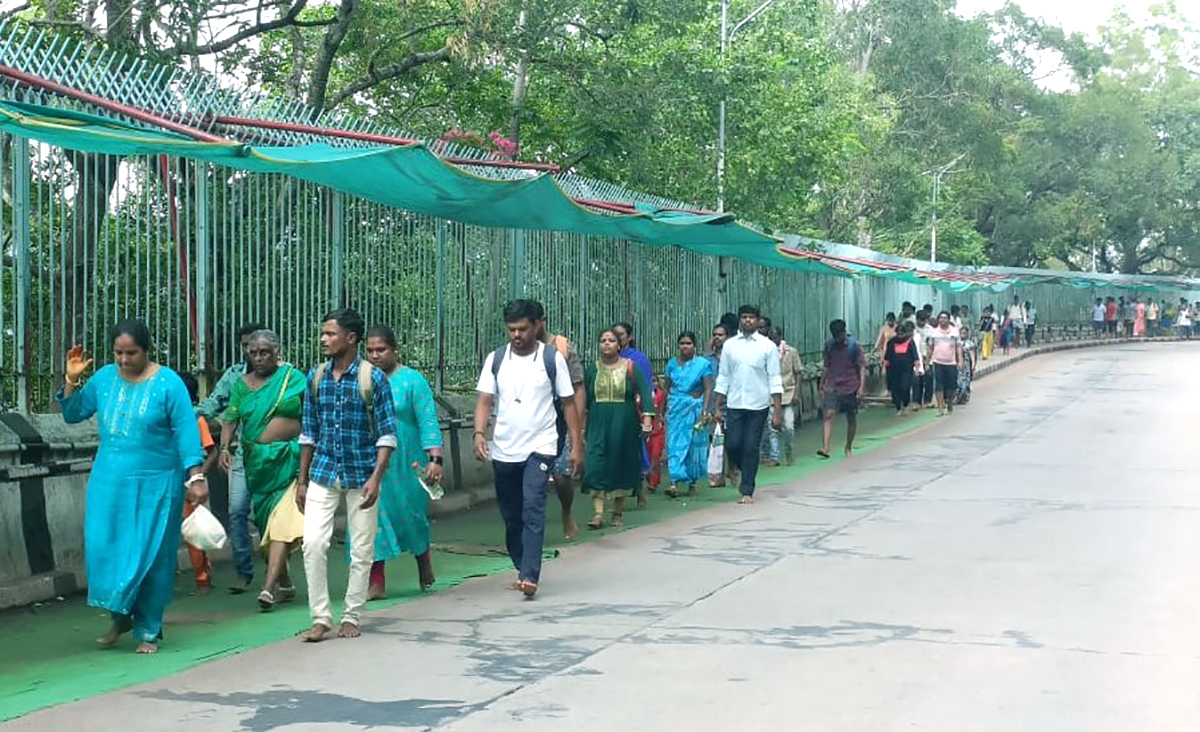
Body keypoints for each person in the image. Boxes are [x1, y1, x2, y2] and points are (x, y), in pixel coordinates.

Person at [58, 319, 207, 654]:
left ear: (146, 349)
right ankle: (119, 615)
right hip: (109, 482)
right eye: (118, 353)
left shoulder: (168, 383)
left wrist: (195, 475)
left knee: (152, 555)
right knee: (104, 549)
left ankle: (148, 630)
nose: (124, 360)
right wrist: (71, 380)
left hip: (157, 483)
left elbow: (186, 432)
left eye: (132, 353)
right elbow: (72, 414)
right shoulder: (104, 379)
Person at [298, 309, 398, 642]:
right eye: (323, 333)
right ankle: (320, 618)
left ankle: (352, 614)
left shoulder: (374, 379)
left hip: (362, 472)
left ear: (350, 338)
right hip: (323, 472)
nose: (324, 339)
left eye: (330, 333)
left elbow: (386, 434)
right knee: (312, 544)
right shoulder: (316, 377)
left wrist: (376, 477)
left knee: (362, 548)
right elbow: (308, 434)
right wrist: (301, 480)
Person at [474, 300, 582, 598]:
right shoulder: (495, 359)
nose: (517, 335)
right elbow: (484, 400)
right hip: (505, 449)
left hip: (542, 445)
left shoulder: (552, 358)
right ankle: (522, 564)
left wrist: (575, 444)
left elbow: (569, 403)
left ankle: (530, 574)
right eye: (512, 330)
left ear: (538, 325)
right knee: (512, 515)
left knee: (533, 504)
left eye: (523, 328)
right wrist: (479, 433)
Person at [219, 330, 307, 611]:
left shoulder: (293, 378)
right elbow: (231, 418)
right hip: (256, 466)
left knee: (280, 525)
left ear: (277, 352)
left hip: (289, 462)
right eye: (253, 352)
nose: (258, 357)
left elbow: (312, 415)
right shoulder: (242, 384)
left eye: (264, 352)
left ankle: (267, 589)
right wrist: (224, 447)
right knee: (265, 524)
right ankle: (285, 583)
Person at [363, 326, 443, 599]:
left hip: (407, 459)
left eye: (381, 350)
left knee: (412, 515)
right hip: (372, 460)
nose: (375, 356)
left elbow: (427, 420)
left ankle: (423, 560)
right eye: (370, 351)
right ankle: (376, 580)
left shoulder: (412, 380)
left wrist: (435, 458)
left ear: (395, 349)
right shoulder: (361, 380)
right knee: (373, 515)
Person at [197, 321, 265, 595]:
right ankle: (244, 572)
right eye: (246, 345)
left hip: (276, 456)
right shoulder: (235, 377)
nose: (251, 351)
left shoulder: (285, 377)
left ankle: (277, 572)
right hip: (242, 454)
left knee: (266, 515)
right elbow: (217, 405)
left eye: (256, 345)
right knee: (236, 512)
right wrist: (187, 412)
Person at [582, 328, 655, 527]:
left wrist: (647, 420)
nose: (607, 343)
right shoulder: (592, 369)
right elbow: (585, 400)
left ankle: (617, 512)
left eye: (611, 340)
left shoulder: (631, 368)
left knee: (620, 463)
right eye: (603, 340)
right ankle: (598, 513)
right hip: (598, 421)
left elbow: (646, 395)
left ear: (619, 344)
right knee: (596, 463)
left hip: (624, 422)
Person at [713, 305, 783, 506]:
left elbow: (774, 379)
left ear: (757, 320)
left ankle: (747, 489)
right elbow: (723, 377)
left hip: (758, 405)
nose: (747, 321)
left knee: (751, 446)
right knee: (733, 444)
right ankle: (741, 468)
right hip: (735, 403)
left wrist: (776, 411)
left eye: (751, 317)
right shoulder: (730, 346)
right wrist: (718, 406)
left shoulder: (767, 346)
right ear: (739, 320)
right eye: (744, 317)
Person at [538, 322, 585, 541]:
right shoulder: (514, 351)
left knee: (561, 475)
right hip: (531, 420)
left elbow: (576, 387)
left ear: (540, 322)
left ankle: (567, 510)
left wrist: (578, 428)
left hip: (560, 417)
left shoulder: (562, 348)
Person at [180, 373, 220, 596]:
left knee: (193, 534)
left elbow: (211, 451)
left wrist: (198, 478)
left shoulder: (197, 421)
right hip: (168, 482)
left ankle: (203, 579)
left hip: (190, 486)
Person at [663, 331, 714, 497]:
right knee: (674, 443)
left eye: (688, 343)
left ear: (694, 346)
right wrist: (659, 411)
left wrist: (705, 412)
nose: (684, 347)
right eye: (682, 343)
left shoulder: (702, 364)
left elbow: (707, 389)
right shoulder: (671, 364)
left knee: (693, 444)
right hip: (676, 408)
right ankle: (673, 483)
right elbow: (666, 388)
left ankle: (691, 481)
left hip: (695, 408)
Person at [611, 321, 652, 503]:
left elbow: (646, 387)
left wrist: (647, 413)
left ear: (630, 337)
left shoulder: (638, 358)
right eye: (614, 334)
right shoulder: (608, 357)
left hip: (633, 407)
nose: (617, 338)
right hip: (611, 409)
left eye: (620, 334)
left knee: (634, 448)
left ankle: (639, 485)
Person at [818, 320, 866, 458]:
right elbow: (826, 366)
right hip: (832, 385)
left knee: (851, 417)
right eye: (835, 336)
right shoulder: (829, 346)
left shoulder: (854, 346)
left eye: (840, 335)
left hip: (850, 386)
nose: (838, 338)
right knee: (829, 414)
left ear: (844, 332)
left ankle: (848, 446)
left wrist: (861, 387)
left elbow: (862, 366)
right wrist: (821, 385)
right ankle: (826, 448)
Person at [762, 326, 803, 465]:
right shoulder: (765, 353)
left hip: (788, 393)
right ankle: (775, 456)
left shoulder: (791, 352)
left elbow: (798, 373)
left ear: (780, 337)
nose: (773, 340)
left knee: (789, 426)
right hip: (771, 395)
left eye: (775, 337)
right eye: (771, 337)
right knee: (772, 427)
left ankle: (789, 451)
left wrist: (797, 393)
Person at [706, 323, 729, 488]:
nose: (717, 337)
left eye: (721, 335)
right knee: (714, 439)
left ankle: (732, 468)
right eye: (715, 334)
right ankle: (717, 474)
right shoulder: (707, 360)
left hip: (732, 403)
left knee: (731, 440)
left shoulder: (733, 356)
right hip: (712, 403)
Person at [928, 312, 963, 416]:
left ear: (948, 319)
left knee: (951, 386)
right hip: (938, 362)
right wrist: (927, 362)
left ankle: (949, 403)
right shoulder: (934, 333)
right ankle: (940, 408)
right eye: (941, 318)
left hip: (951, 363)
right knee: (939, 385)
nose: (942, 320)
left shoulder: (955, 332)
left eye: (944, 318)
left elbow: (958, 347)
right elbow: (930, 348)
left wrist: (960, 361)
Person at [884, 322, 919, 415]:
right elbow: (887, 356)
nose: (900, 336)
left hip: (906, 370)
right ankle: (898, 407)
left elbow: (915, 356)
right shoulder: (891, 342)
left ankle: (906, 404)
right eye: (898, 333)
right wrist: (885, 368)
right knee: (895, 389)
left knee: (905, 387)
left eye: (901, 333)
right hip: (893, 370)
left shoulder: (910, 342)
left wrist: (917, 368)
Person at [956, 326, 977, 405]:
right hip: (958, 364)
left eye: (964, 333)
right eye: (961, 333)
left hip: (966, 365)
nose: (963, 335)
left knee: (966, 382)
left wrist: (973, 365)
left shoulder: (970, 344)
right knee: (958, 382)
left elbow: (972, 355)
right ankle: (958, 397)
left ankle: (965, 398)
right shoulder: (957, 342)